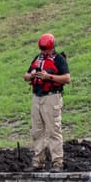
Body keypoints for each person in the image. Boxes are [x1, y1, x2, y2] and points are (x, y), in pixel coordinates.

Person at [23, 33, 71, 171]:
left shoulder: (59, 59)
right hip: (37, 97)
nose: (43, 52)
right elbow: (26, 76)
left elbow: (67, 78)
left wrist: (48, 77)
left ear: (52, 47)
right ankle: (38, 162)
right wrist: (31, 75)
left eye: (46, 49)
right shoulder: (37, 58)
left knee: (53, 130)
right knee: (37, 131)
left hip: (52, 97)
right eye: (42, 49)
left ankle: (57, 163)